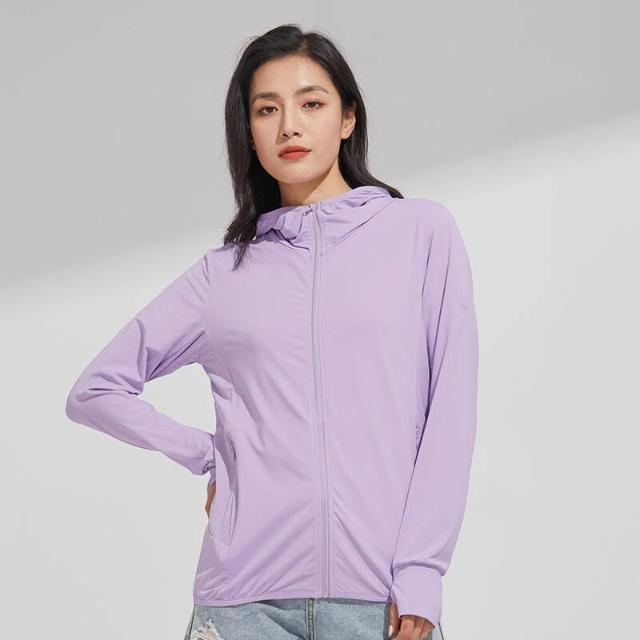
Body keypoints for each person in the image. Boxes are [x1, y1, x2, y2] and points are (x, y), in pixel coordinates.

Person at [65, 23, 479, 640]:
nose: (289, 126)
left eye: (311, 103)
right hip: (242, 607)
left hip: (381, 604)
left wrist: (421, 569)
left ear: (347, 118)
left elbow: (451, 412)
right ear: (249, 131)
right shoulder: (223, 275)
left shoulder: (420, 233)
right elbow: (96, 390)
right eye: (267, 109)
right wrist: (209, 455)